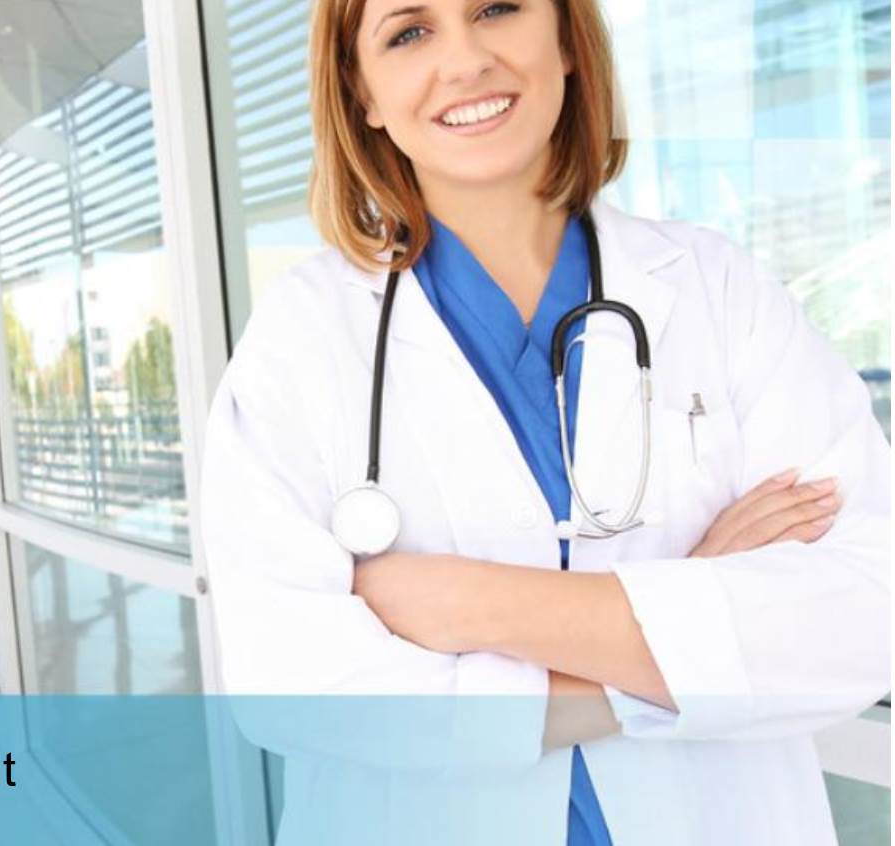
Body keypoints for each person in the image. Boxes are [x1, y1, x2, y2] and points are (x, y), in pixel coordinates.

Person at [198, 0, 891, 843]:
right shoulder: (303, 337)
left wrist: (471, 603)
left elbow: (863, 617)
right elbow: (290, 682)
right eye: (409, 32)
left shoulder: (717, 290)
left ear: (565, 39)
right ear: (363, 92)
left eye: (497, 8)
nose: (465, 61)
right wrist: (688, 634)